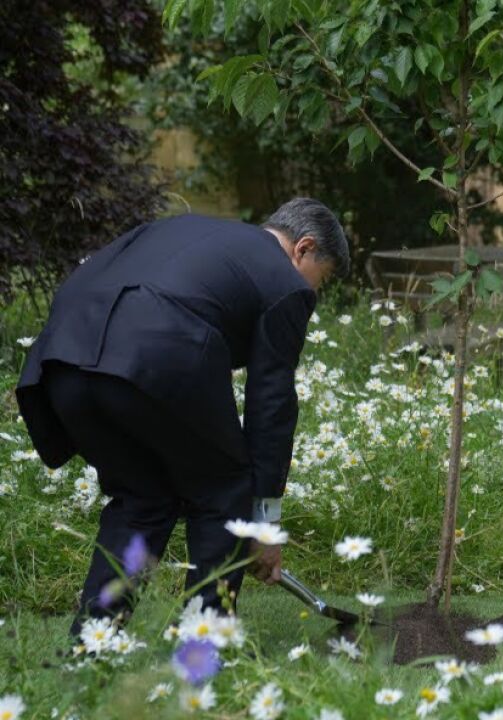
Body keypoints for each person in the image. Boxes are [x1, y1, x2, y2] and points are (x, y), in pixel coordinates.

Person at [14, 198, 349, 632]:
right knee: (226, 491)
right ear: (302, 249)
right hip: (151, 355)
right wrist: (263, 526)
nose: (312, 295)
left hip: (62, 361)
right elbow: (271, 405)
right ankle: (205, 641)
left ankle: (93, 642)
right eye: (318, 285)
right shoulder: (284, 279)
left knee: (143, 497)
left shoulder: (185, 231)